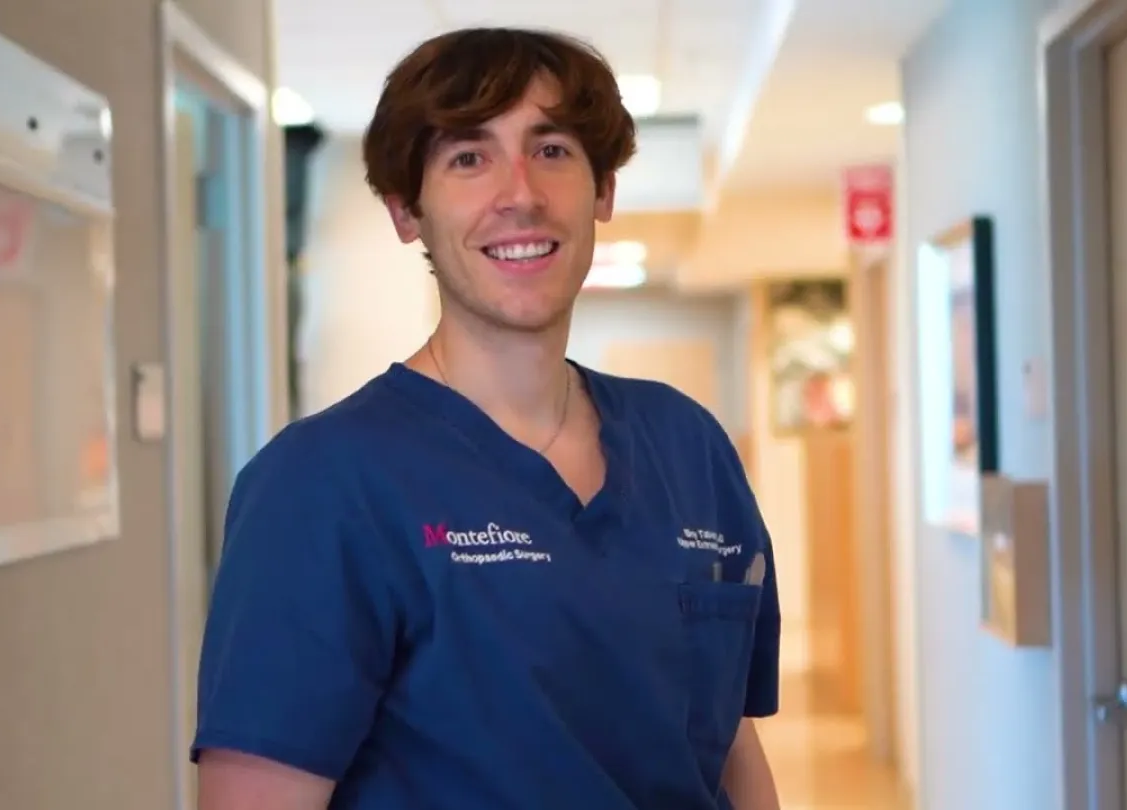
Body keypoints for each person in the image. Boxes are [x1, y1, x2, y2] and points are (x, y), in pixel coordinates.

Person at [191, 26, 783, 810]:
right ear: (406, 210)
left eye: (552, 150)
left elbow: (732, 747)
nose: (521, 194)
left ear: (603, 191)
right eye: (469, 158)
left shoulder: (688, 446)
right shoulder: (320, 485)